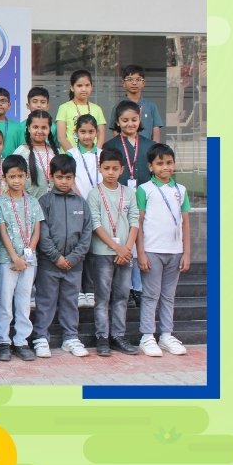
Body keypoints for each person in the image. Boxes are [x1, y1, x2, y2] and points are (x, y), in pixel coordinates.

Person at [30, 154, 93, 359]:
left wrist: (74, 258)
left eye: (68, 177)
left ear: (74, 177)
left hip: (74, 265)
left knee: (70, 302)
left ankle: (70, 337)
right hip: (49, 264)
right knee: (46, 301)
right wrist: (56, 257)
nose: (64, 181)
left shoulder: (81, 203)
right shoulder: (44, 202)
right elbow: (42, 233)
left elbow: (87, 233)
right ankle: (41, 337)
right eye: (59, 177)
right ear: (51, 177)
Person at [136, 143, 191, 357]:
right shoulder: (145, 190)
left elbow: (185, 223)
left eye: (169, 162)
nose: (165, 167)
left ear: (174, 164)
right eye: (159, 163)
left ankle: (166, 335)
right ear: (151, 166)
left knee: (169, 295)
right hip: (152, 250)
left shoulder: (181, 190)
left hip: (175, 251)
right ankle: (147, 336)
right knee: (151, 295)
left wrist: (186, 252)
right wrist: (141, 252)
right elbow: (139, 223)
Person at [86, 147, 140, 357]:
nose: (110, 172)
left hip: (125, 253)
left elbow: (134, 221)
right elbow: (96, 225)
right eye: (106, 168)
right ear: (99, 168)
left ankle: (118, 336)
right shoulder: (94, 194)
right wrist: (117, 247)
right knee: (102, 297)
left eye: (115, 168)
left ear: (122, 170)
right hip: (103, 253)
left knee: (121, 296)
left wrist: (127, 249)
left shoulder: (129, 193)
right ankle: (102, 337)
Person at [103, 99, 155, 309]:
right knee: (124, 241)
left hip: (144, 201)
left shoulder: (150, 146)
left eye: (134, 119)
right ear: (117, 121)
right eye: (125, 120)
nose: (130, 124)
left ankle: (140, 287)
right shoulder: (110, 146)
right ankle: (126, 288)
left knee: (141, 243)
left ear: (140, 120)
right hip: (118, 200)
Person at [0, 155, 43, 362]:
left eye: (20, 176)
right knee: (5, 302)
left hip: (28, 261)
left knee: (24, 301)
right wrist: (15, 257)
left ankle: (21, 341)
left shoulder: (32, 201)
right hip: (7, 260)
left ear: (26, 176)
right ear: (4, 177)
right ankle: (3, 341)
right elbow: (2, 231)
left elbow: (37, 230)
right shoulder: (0, 202)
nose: (16, 180)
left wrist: (26, 254)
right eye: (12, 176)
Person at [69, 113, 102, 309]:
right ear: (76, 133)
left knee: (93, 250)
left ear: (96, 132)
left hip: (99, 208)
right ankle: (79, 289)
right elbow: (69, 180)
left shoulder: (102, 154)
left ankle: (90, 288)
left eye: (91, 132)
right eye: (83, 132)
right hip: (78, 206)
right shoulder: (71, 154)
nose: (87, 136)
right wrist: (81, 200)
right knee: (79, 248)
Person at [109, 64, 163, 143]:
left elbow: (156, 134)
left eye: (138, 79)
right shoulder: (117, 107)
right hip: (125, 149)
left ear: (143, 83)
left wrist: (154, 149)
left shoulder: (151, 107)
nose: (134, 83)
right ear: (123, 83)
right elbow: (116, 132)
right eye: (130, 79)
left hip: (148, 149)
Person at [13, 110, 60, 199]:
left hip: (54, 203)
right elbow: (15, 180)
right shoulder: (20, 153)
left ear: (50, 129)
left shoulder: (55, 152)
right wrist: (29, 202)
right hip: (29, 203)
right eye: (35, 127)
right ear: (28, 128)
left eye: (44, 127)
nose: (39, 131)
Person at [56, 69, 106, 152]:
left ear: (92, 87)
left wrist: (95, 154)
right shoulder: (64, 108)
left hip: (93, 157)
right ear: (72, 87)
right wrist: (74, 155)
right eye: (79, 86)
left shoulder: (97, 109)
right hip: (70, 157)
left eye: (87, 85)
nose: (84, 89)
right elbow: (61, 138)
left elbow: (101, 137)